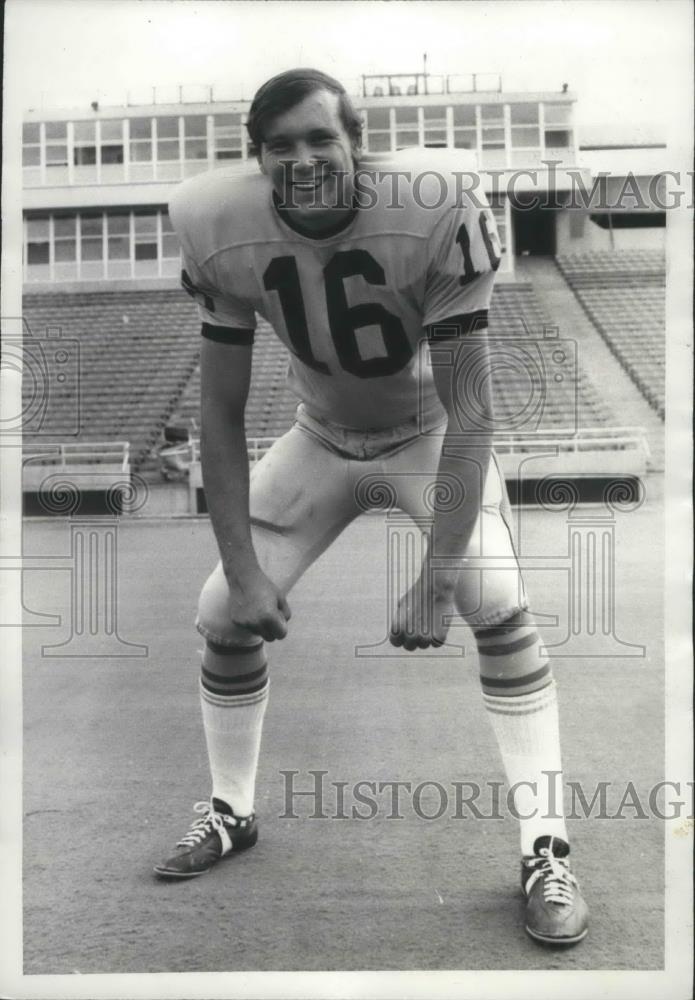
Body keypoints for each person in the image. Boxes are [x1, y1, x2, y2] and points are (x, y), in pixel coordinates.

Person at [155, 68, 588, 947]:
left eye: (321, 139)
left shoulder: (433, 205)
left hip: (430, 431)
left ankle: (545, 848)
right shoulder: (215, 222)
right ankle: (232, 810)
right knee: (218, 615)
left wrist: (433, 581)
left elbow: (471, 412)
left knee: (495, 601)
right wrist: (241, 570)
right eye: (280, 146)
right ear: (257, 158)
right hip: (321, 434)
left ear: (359, 141)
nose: (303, 159)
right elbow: (222, 413)